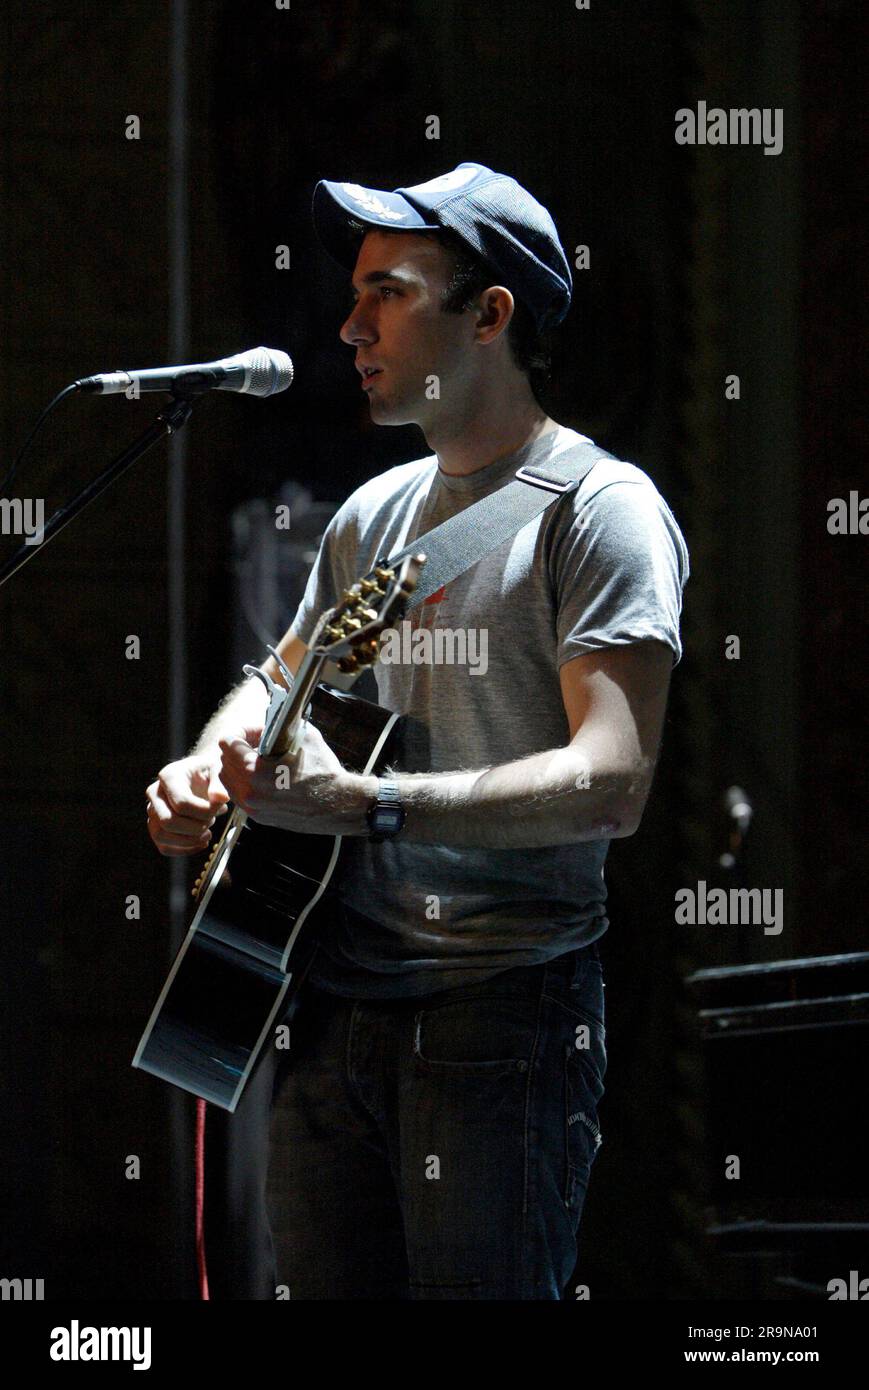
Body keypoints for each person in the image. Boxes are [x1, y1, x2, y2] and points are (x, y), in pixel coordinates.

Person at [146, 161, 689, 1299]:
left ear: (490, 314)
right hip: (332, 1003)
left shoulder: (601, 511)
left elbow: (611, 782)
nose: (348, 325)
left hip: (502, 1010)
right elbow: (272, 679)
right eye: (354, 295)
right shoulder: (370, 515)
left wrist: (370, 805)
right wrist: (207, 763)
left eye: (385, 292)